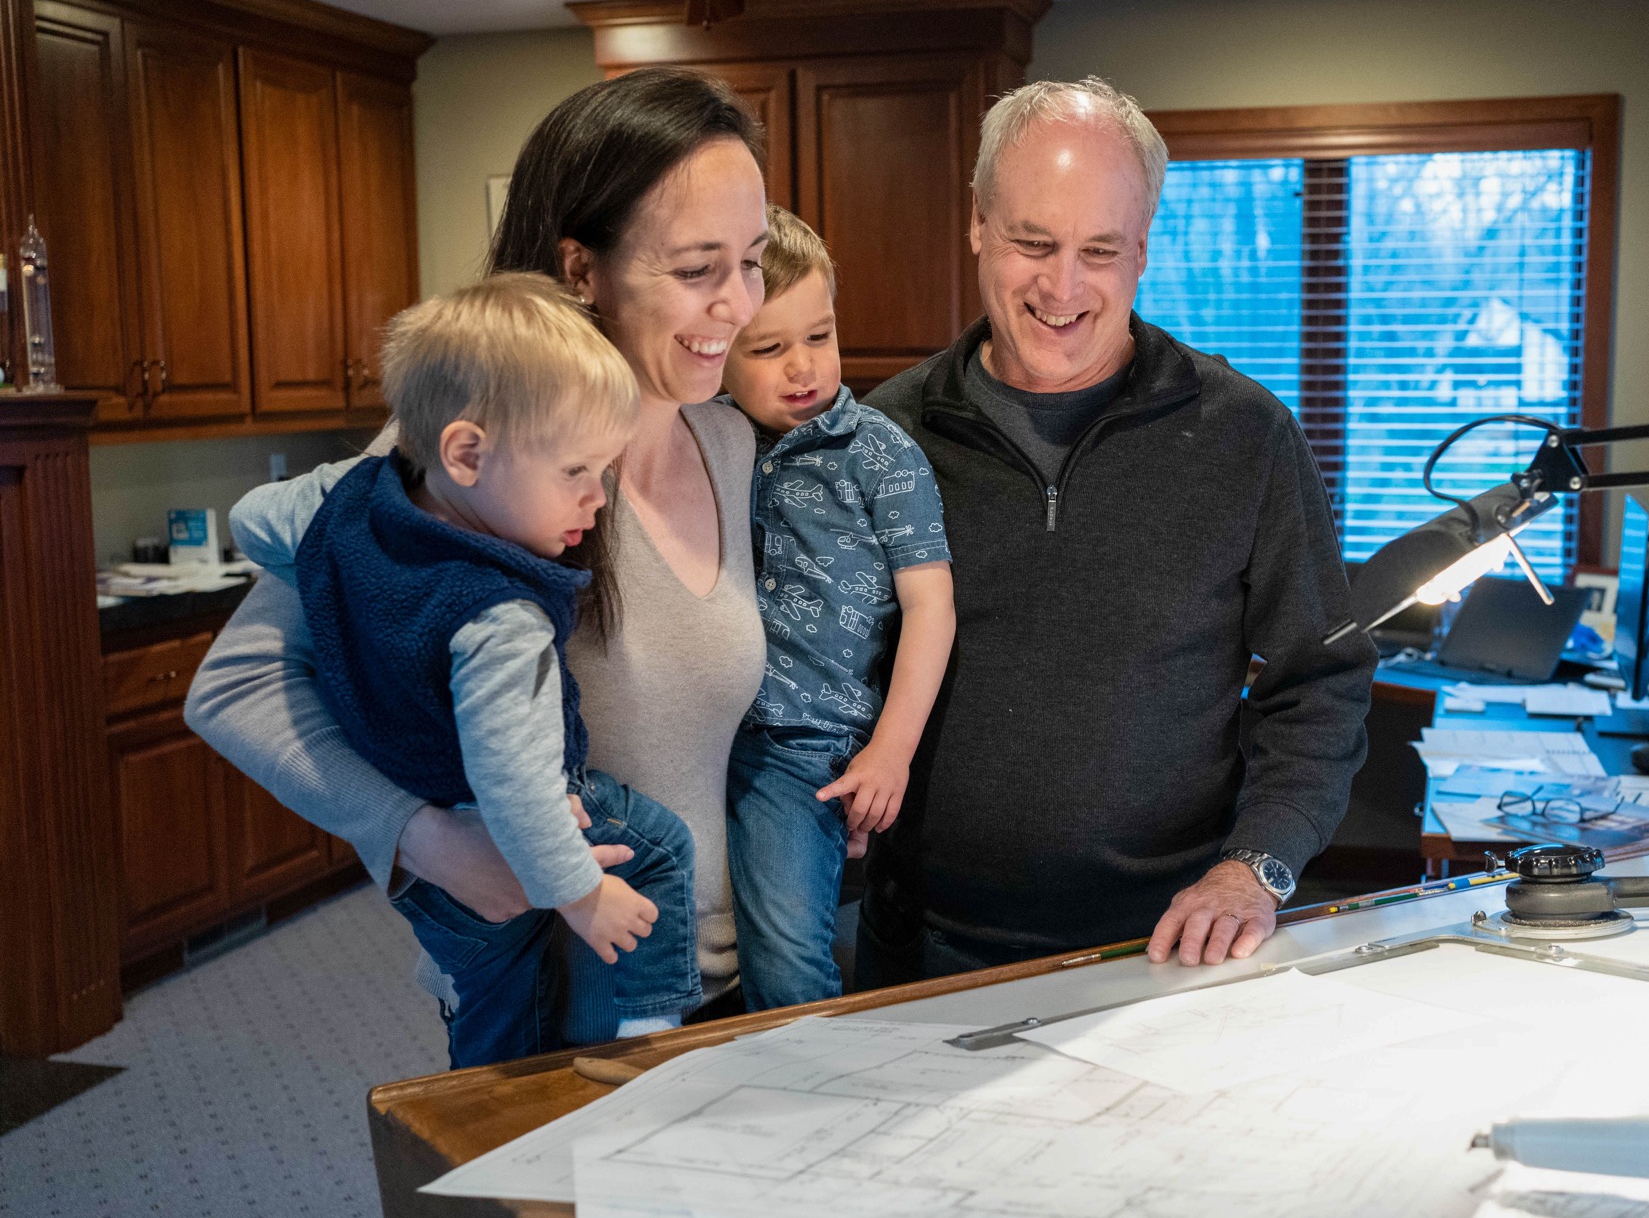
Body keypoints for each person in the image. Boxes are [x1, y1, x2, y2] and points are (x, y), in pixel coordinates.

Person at [187, 67, 770, 1053]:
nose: (739, 304)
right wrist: (424, 838)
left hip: (713, 979)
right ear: (582, 267)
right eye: (697, 268)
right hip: (549, 989)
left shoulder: (730, 441)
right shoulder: (466, 461)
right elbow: (232, 688)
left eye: (753, 261)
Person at [859, 77, 1377, 984]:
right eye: (1033, 242)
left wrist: (1256, 868)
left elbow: (1320, 685)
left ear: (1142, 249)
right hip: (921, 951)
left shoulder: (1245, 434)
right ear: (978, 222)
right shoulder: (883, 433)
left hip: (1173, 945)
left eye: (1100, 250)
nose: (1063, 286)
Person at [225, 275, 702, 1068]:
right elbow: (514, 779)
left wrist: (328, 559)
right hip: (507, 820)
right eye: (578, 472)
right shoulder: (497, 616)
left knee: (499, 1006)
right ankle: (649, 1034)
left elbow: (249, 518)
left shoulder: (343, 500)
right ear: (468, 453)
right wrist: (584, 896)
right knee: (658, 848)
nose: (600, 498)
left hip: (422, 871)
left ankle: (484, 1111)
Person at [717, 207, 956, 1010]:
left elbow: (932, 608)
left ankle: (812, 1106)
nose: (802, 367)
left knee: (784, 958)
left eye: (818, 337)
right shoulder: (705, 443)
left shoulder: (880, 452)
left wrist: (890, 750)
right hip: (699, 730)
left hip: (803, 748)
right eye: (769, 348)